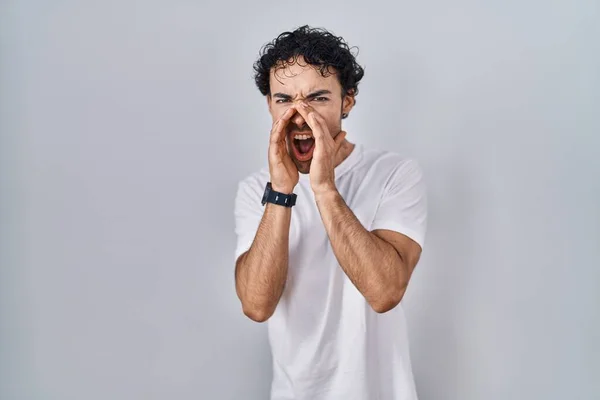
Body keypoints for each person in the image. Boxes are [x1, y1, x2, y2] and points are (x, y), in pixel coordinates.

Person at [233, 25, 428, 400]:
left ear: (348, 101)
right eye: (284, 99)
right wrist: (282, 192)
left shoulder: (394, 174)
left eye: (318, 98)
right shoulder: (255, 189)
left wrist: (324, 188)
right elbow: (256, 305)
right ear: (269, 105)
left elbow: (385, 292)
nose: (299, 116)